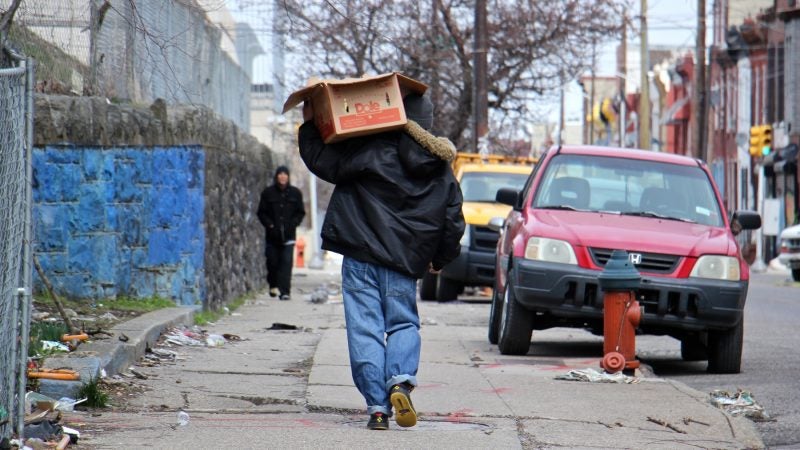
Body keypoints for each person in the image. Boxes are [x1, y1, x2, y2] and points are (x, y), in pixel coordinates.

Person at [297, 92, 465, 430]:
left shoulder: (369, 148)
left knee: (365, 329)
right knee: (403, 323)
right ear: (427, 124)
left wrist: (309, 124)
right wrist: (440, 259)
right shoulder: (441, 169)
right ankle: (400, 382)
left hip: (361, 254)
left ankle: (377, 407)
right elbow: (453, 219)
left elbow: (323, 162)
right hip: (404, 262)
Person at [257, 165, 305, 301]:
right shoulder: (268, 193)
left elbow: (300, 213)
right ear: (277, 176)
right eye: (280, 174)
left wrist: (294, 223)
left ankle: (285, 292)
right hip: (272, 237)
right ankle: (273, 285)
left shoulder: (295, 193)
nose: (283, 177)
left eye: (285, 174)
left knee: (286, 264)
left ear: (288, 177)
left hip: (289, 236)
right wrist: (270, 225)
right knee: (272, 263)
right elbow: (261, 212)